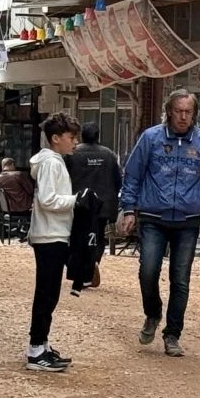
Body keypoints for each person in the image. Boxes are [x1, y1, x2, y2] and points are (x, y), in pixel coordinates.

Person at [118, 89, 200, 358]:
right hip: (153, 217)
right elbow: (133, 174)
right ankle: (152, 313)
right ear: (169, 111)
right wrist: (128, 209)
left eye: (188, 112)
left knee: (181, 279)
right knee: (148, 271)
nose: (183, 117)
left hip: (188, 221)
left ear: (194, 114)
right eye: (178, 111)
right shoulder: (150, 138)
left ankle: (172, 334)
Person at [25, 112, 89, 371]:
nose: (75, 142)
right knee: (46, 293)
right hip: (50, 234)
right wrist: (76, 200)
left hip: (53, 233)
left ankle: (42, 344)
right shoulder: (51, 163)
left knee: (49, 293)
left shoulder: (53, 161)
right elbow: (48, 199)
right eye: (71, 138)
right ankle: (36, 349)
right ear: (56, 138)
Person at [66, 122, 122, 286]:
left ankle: (83, 270)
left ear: (82, 135)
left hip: (79, 203)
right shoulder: (109, 155)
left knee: (78, 236)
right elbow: (118, 180)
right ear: (98, 136)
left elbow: (64, 177)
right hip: (102, 204)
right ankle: (93, 261)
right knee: (98, 236)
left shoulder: (72, 154)